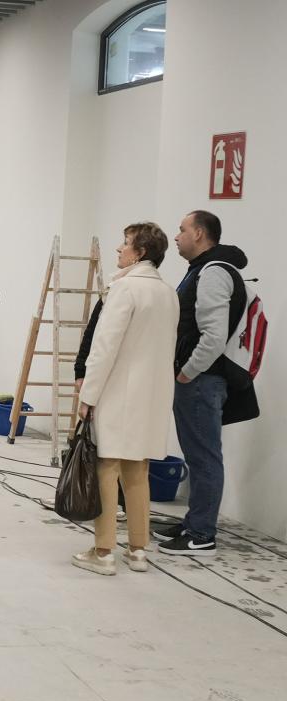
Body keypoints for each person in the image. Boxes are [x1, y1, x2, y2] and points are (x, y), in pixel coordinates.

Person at [73, 222, 179, 576]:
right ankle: (138, 550)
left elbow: (105, 348)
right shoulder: (168, 293)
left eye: (125, 244)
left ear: (141, 252)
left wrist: (88, 395)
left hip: (119, 393)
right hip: (152, 397)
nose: (119, 249)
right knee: (138, 471)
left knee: (107, 469)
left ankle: (103, 551)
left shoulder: (124, 289)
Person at [157, 210, 250, 555]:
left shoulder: (212, 273)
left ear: (199, 234)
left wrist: (187, 372)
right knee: (198, 454)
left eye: (182, 229)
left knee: (205, 456)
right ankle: (195, 521)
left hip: (202, 379)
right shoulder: (202, 270)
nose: (177, 235)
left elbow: (213, 335)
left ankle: (202, 534)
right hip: (198, 378)